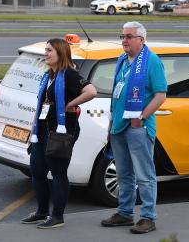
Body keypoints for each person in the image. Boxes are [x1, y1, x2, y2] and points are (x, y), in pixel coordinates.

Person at [21, 38, 97, 228]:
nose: (45, 53)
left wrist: (71, 104)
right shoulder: (48, 76)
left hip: (61, 131)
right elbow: (42, 104)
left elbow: (91, 91)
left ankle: (57, 216)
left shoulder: (69, 74)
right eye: (45, 50)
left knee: (58, 173)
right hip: (42, 130)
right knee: (37, 171)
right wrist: (33, 129)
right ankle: (41, 212)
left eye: (49, 51)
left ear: (60, 53)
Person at [101, 22, 167, 234]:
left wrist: (142, 115)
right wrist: (111, 121)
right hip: (119, 126)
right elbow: (116, 93)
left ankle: (148, 217)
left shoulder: (152, 61)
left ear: (142, 39)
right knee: (123, 173)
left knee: (144, 174)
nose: (124, 40)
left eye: (129, 36)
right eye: (122, 36)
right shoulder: (122, 59)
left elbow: (161, 95)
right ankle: (125, 213)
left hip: (139, 127)